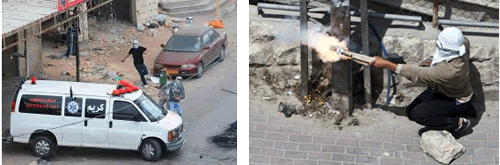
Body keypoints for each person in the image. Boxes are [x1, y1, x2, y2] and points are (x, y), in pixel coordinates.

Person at [369, 27, 476, 133]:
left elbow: (417, 74)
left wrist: (387, 64)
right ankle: (463, 109)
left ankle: (458, 122)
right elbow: (440, 59)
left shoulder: (449, 72)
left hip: (455, 98)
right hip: (444, 89)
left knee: (418, 114)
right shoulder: (463, 43)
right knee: (410, 112)